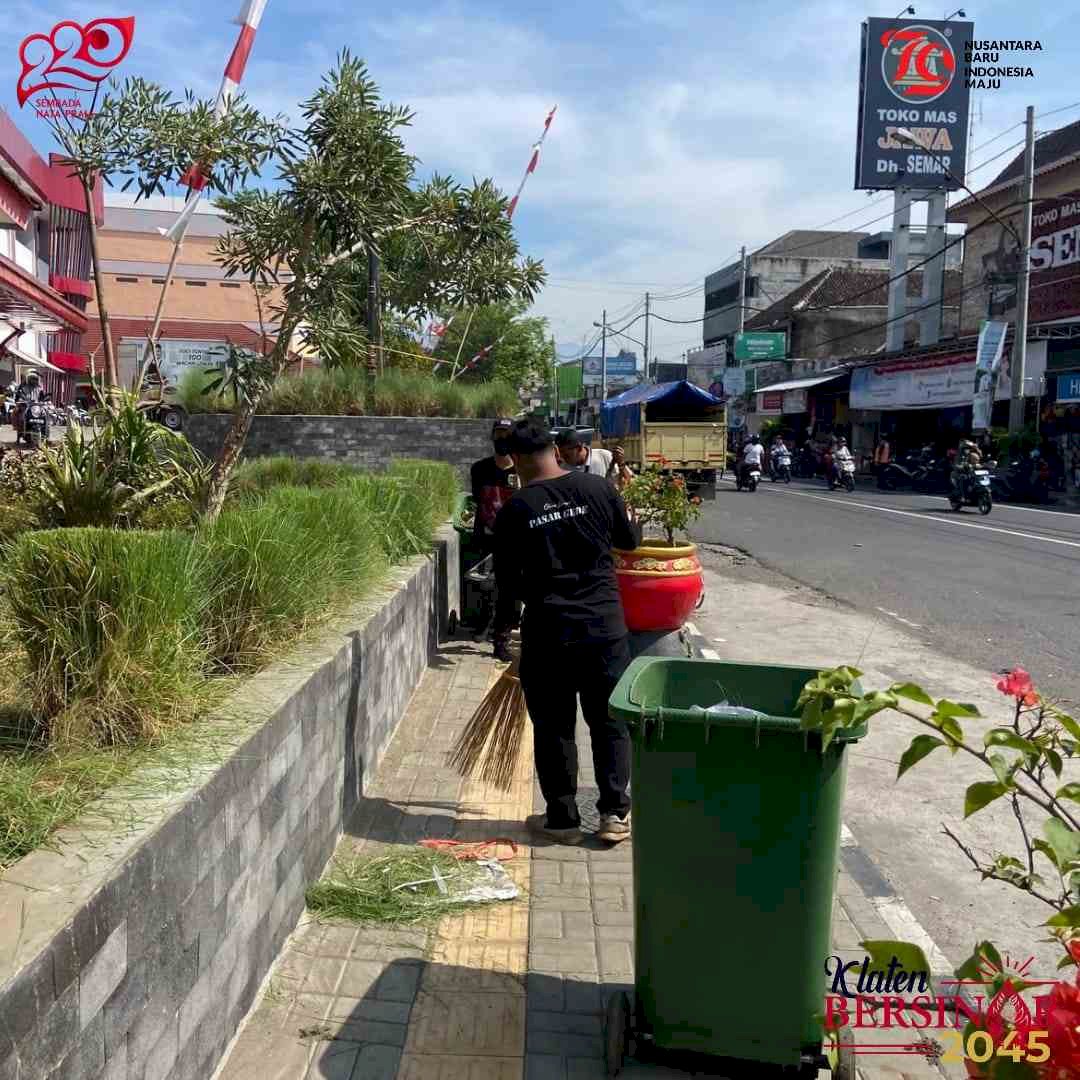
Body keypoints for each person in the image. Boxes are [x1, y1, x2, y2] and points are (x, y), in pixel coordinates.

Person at [492, 416, 640, 845]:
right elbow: (628, 542)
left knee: (555, 726)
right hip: (605, 630)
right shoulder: (598, 488)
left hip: (549, 631)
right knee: (609, 722)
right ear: (556, 451)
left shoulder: (517, 510)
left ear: (516, 460)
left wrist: (507, 631)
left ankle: (563, 819)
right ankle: (614, 815)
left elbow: (509, 584)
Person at [470, 419, 518, 555]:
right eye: (498, 434)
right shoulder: (479, 469)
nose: (502, 438)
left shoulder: (524, 469)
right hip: (485, 542)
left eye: (507, 435)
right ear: (492, 436)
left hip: (516, 542)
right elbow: (477, 502)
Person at [555, 429, 633, 492]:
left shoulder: (604, 456)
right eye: (560, 454)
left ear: (579, 448)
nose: (562, 458)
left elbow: (629, 481)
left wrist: (621, 463)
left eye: (566, 455)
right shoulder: (562, 469)